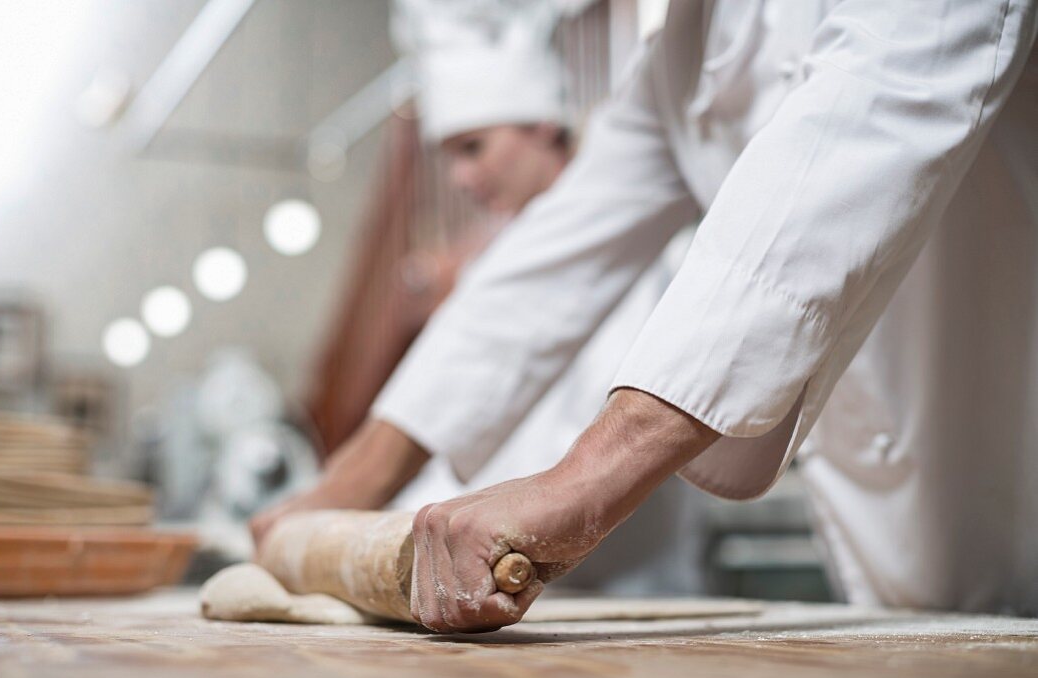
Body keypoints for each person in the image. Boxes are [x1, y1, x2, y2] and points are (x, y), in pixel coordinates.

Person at [259, 1, 1038, 632]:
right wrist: (344, 488)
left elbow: (860, 134)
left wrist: (577, 486)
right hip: (894, 558)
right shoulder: (688, 49)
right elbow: (543, 273)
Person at [256, 3, 712, 597]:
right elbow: (481, 359)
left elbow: (575, 443)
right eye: (449, 156)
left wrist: (384, 511)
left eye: (474, 147)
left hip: (622, 585)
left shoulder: (662, 254)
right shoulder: (504, 267)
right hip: (502, 586)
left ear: (546, 128)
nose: (462, 180)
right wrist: (357, 505)